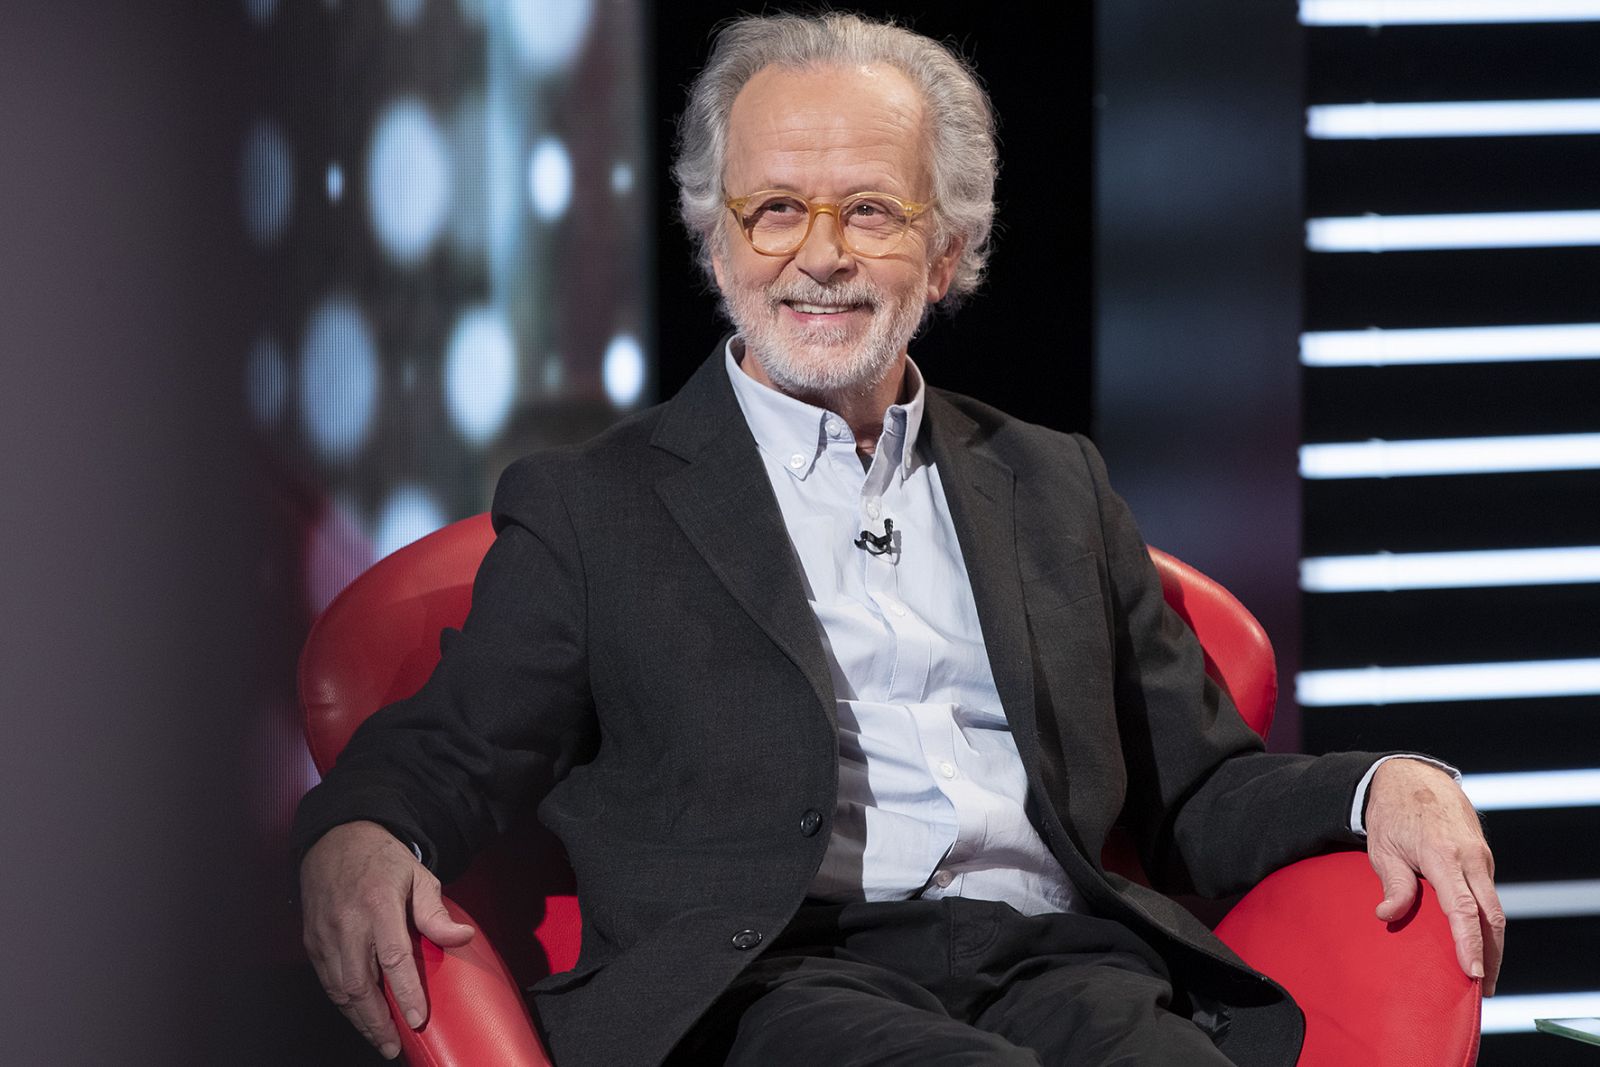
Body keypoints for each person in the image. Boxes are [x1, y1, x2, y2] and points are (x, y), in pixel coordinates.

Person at [294, 13, 1503, 1066]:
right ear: (717, 243)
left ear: (947, 250)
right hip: (768, 979)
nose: (818, 253)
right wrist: (362, 830)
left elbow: (1196, 785)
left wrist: (1381, 784)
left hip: (1058, 963)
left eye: (869, 210)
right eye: (773, 209)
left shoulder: (1052, 481)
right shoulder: (593, 506)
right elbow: (450, 747)